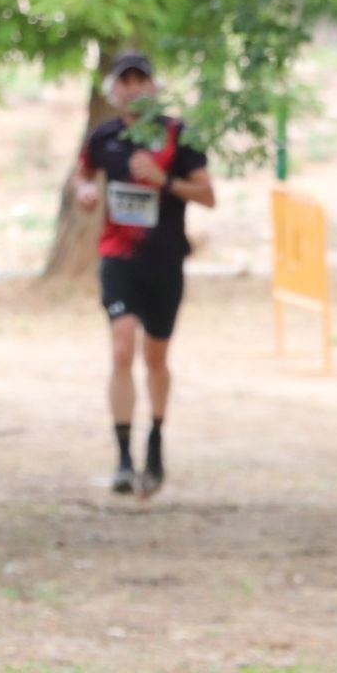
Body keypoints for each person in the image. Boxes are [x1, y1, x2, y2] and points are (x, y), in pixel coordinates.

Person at [72, 52, 214, 498]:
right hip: (118, 257)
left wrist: (163, 180)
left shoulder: (178, 134)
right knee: (121, 348)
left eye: (141, 81)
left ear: (154, 87)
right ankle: (122, 459)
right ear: (113, 91)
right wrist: (87, 192)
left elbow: (209, 195)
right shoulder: (103, 137)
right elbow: (83, 176)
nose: (133, 89)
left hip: (165, 260)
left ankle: (154, 441)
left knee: (155, 358)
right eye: (125, 81)